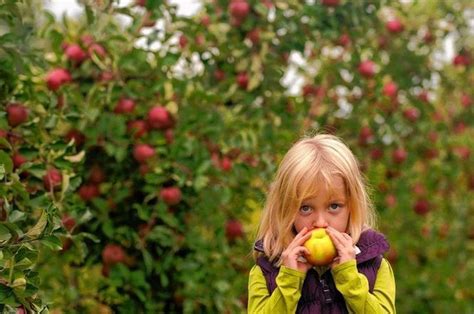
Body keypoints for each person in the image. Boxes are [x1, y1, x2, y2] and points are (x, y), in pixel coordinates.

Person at [248, 133, 396, 313]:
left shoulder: (374, 265)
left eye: (334, 206)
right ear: (286, 210)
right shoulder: (266, 272)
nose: (320, 223)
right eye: (305, 208)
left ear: (352, 207)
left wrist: (349, 278)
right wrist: (289, 281)